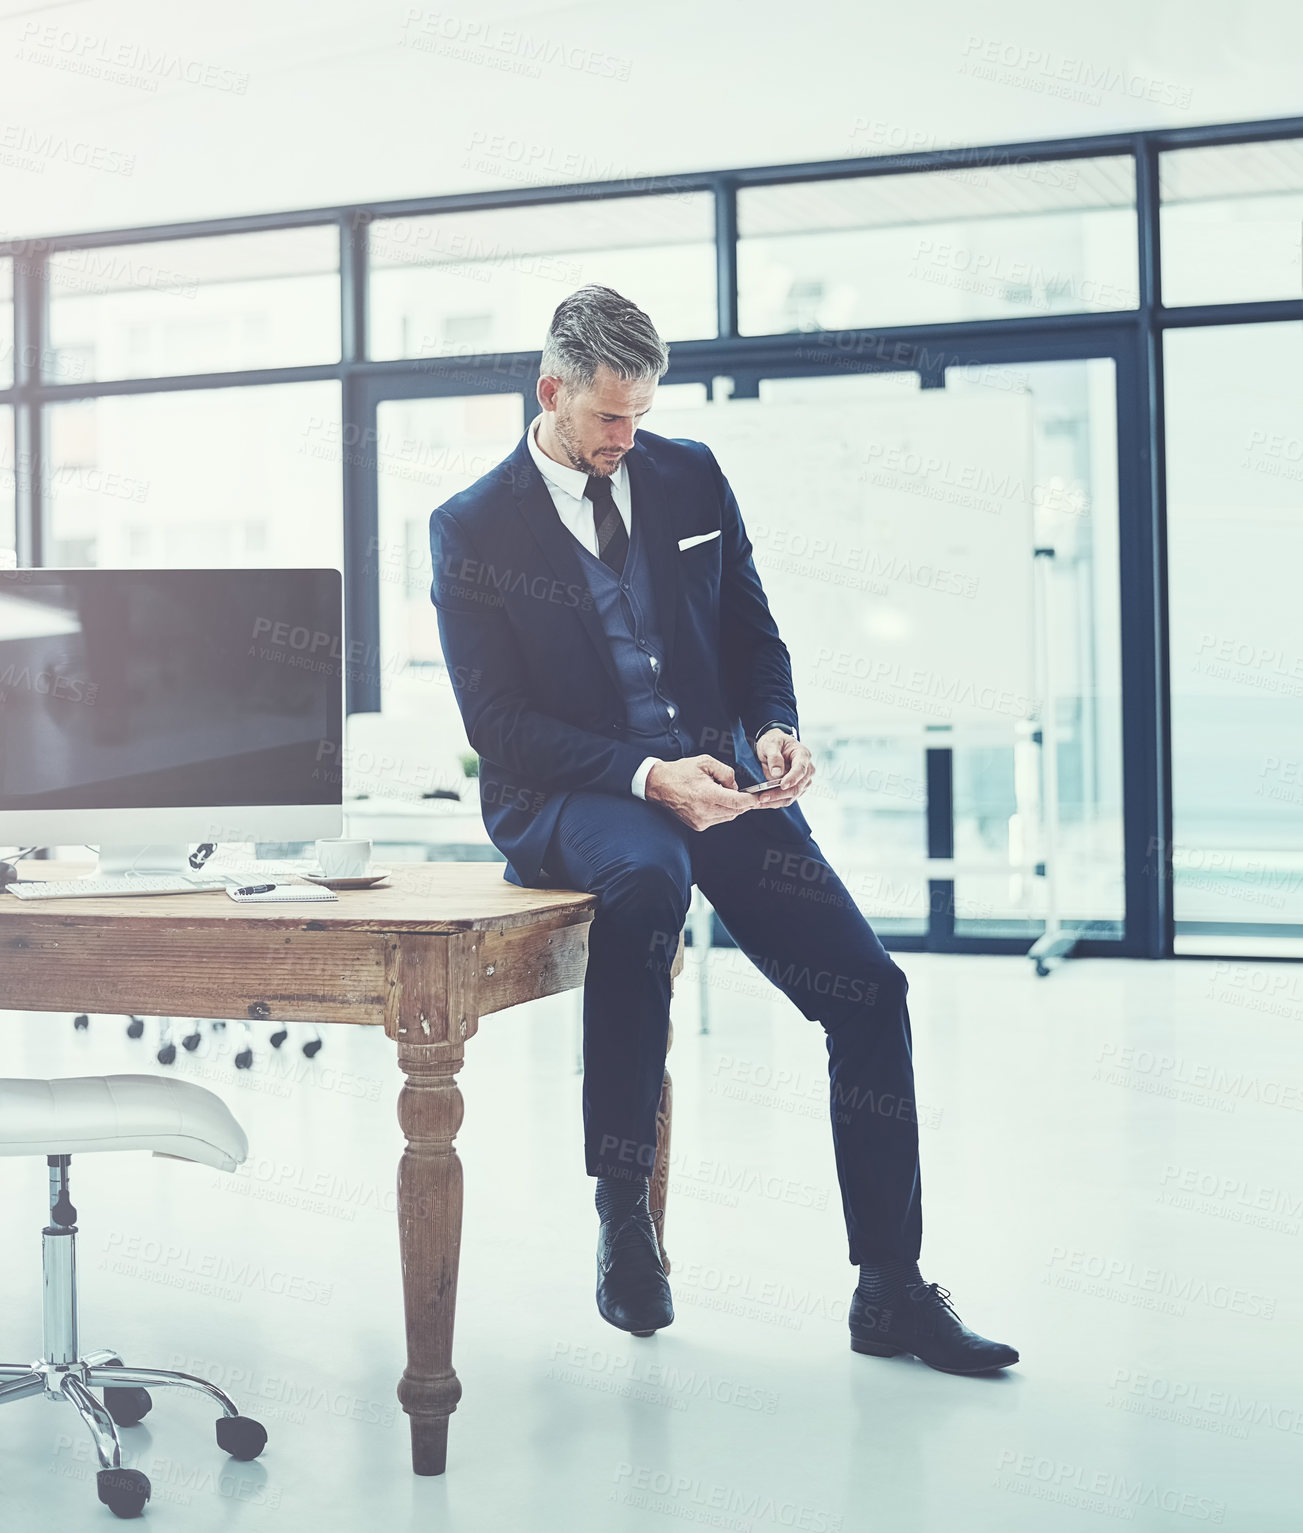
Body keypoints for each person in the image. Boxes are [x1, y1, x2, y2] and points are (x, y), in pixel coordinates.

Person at [428, 284, 1018, 1374]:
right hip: (575, 794)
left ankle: (888, 1286)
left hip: (722, 779)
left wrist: (775, 727)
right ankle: (623, 1214)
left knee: (870, 991)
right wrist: (650, 774)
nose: (627, 437)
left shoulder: (688, 473)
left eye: (640, 414)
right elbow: (500, 728)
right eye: (608, 417)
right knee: (647, 885)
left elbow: (752, 634)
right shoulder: (472, 525)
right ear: (551, 391)